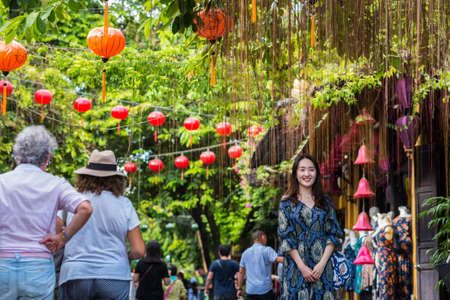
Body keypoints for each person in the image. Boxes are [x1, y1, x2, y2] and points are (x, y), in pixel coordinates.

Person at [0, 125, 93, 300]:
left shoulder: (2, 182)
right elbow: (85, 208)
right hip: (38, 265)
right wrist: (63, 237)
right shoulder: (55, 184)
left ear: (17, 154)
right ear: (47, 157)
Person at [58, 149, 145, 299]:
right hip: (115, 275)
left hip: (75, 274)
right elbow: (139, 250)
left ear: (84, 175)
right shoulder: (124, 204)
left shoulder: (72, 200)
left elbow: (55, 229)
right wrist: (126, 256)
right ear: (116, 179)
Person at [278, 153, 343, 299]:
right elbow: (286, 237)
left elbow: (333, 234)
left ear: (317, 173)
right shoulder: (286, 203)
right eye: (302, 170)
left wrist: (321, 264)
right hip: (296, 268)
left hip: (322, 268)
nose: (307, 174)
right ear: (295, 173)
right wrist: (302, 267)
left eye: (311, 169)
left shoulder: (325, 202)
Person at [236, 230, 283, 300]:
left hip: (250, 291)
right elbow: (279, 259)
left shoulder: (245, 253)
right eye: (266, 238)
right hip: (265, 290)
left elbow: (241, 272)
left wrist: (239, 288)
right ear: (262, 237)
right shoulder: (267, 250)